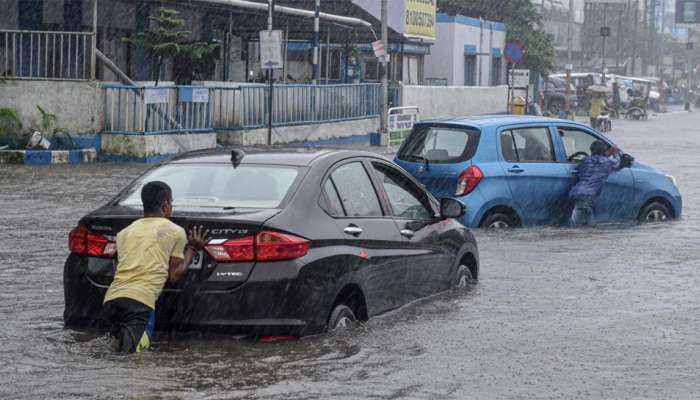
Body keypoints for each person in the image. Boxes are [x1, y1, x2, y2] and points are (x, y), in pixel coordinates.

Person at [100, 181, 208, 353]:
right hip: (140, 304)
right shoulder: (175, 231)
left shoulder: (124, 232)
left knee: (114, 355)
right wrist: (193, 249)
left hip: (112, 301)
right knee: (136, 360)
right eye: (171, 203)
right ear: (165, 206)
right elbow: (173, 275)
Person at [569, 140, 622, 227]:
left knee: (584, 215)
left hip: (576, 191)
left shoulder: (585, 160)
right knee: (581, 221)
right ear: (604, 151)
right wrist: (615, 152)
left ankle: (588, 233)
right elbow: (617, 162)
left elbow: (584, 167)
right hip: (588, 194)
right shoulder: (606, 162)